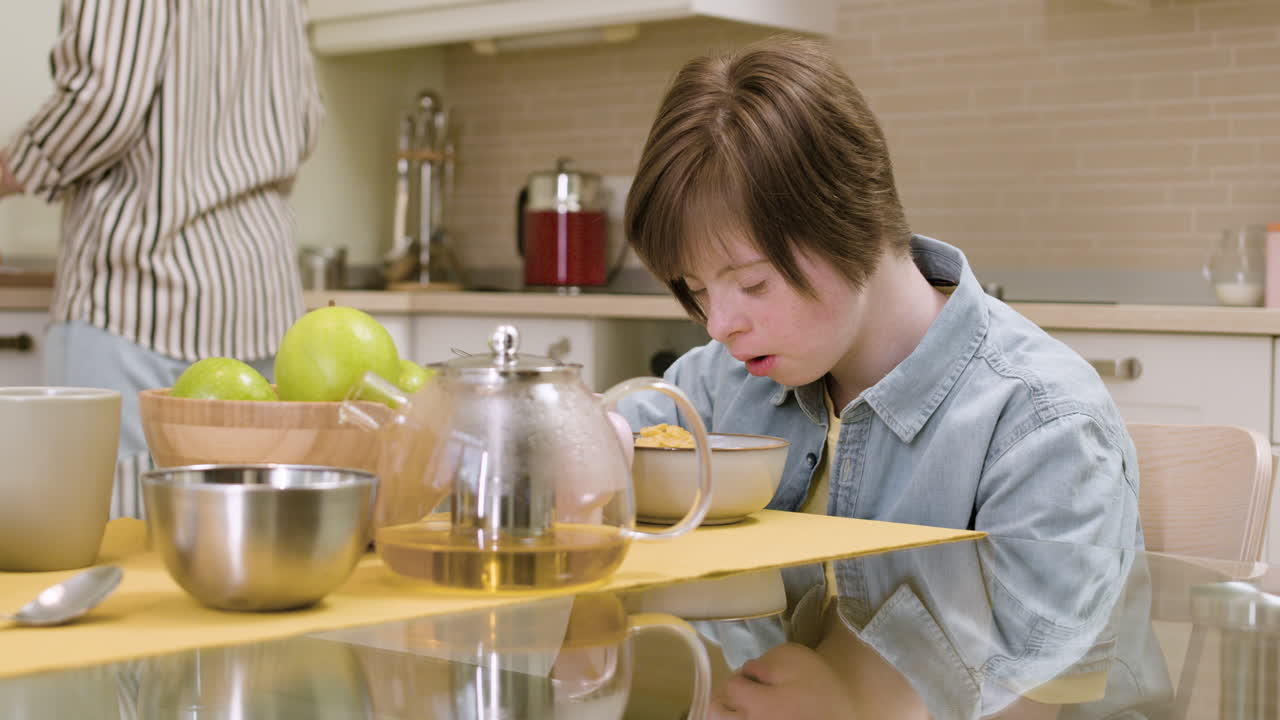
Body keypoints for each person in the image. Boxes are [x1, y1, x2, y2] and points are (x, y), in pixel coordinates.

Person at [614, 36, 1143, 715]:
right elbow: (616, 435)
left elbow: (1046, 703)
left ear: (850, 224)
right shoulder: (727, 381)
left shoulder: (1040, 421)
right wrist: (583, 438)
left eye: (751, 283)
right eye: (697, 291)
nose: (719, 325)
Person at [0, 1, 324, 518]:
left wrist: (12, 168)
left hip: (137, 290)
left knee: (114, 551)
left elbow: (104, 101)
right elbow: (305, 118)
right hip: (260, 290)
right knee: (237, 544)